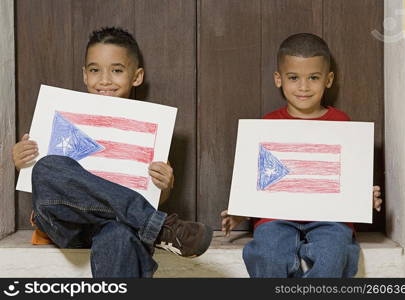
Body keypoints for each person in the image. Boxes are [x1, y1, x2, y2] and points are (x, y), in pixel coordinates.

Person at [12, 27, 213, 278]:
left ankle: (154, 227)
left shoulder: (149, 130)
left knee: (119, 236)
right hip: (68, 224)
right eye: (95, 70)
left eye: (117, 70)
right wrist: (25, 163)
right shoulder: (61, 113)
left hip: (120, 226)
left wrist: (165, 185)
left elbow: (154, 198)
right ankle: (161, 229)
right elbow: (45, 185)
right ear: (85, 75)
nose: (105, 80)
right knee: (47, 167)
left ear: (137, 76)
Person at [220, 33, 383, 278]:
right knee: (268, 253)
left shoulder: (343, 123)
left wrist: (362, 198)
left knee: (334, 253)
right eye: (294, 78)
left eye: (313, 78)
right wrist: (241, 211)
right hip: (275, 217)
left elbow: (349, 180)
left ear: (328, 80)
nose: (303, 87)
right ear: (279, 79)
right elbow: (259, 183)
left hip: (330, 217)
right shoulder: (267, 125)